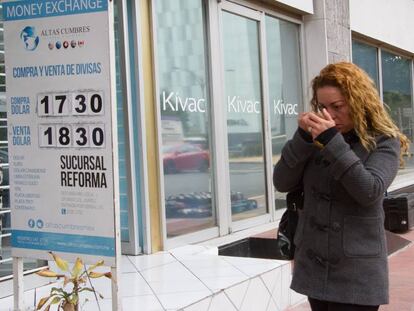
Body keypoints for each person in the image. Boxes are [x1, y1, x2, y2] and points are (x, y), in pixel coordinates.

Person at [273, 62, 409, 311]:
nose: (330, 115)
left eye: (337, 107)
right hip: (314, 264)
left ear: (359, 101)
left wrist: (331, 141)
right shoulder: (314, 139)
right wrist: (302, 138)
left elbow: (369, 190)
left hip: (356, 270)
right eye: (322, 107)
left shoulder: (384, 141)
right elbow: (281, 182)